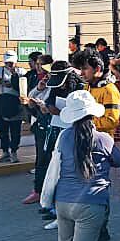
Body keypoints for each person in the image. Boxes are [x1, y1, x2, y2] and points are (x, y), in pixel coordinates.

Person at [40, 90, 120, 241]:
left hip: (62, 201)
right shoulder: (103, 139)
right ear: (92, 114)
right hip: (91, 202)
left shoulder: (64, 136)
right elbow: (119, 160)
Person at [38, 61, 85, 229]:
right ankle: (54, 208)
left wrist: (63, 112)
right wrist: (49, 108)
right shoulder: (55, 85)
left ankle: (66, 213)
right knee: (54, 170)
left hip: (72, 131)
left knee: (68, 171)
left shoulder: (80, 88)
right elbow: (50, 102)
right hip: (56, 128)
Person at [82, 51, 120, 241]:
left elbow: (112, 120)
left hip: (101, 147)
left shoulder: (110, 90)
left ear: (97, 69)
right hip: (85, 144)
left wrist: (87, 122)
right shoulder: (87, 87)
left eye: (85, 68)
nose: (82, 73)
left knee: (99, 190)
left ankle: (102, 229)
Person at [21, 54, 53, 205]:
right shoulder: (36, 78)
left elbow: (50, 102)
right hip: (39, 122)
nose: (38, 67)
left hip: (50, 124)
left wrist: (39, 103)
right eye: (37, 64)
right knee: (41, 159)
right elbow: (31, 96)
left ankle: (46, 192)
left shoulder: (54, 81)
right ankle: (38, 190)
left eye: (42, 64)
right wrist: (35, 94)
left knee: (48, 159)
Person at [0, 50, 25, 163]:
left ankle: (14, 151)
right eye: (7, 63)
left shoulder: (21, 71)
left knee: (15, 129)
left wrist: (13, 84)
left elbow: (24, 87)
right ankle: (5, 152)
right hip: (1, 101)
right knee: (2, 129)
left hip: (15, 103)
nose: (9, 65)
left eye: (11, 63)